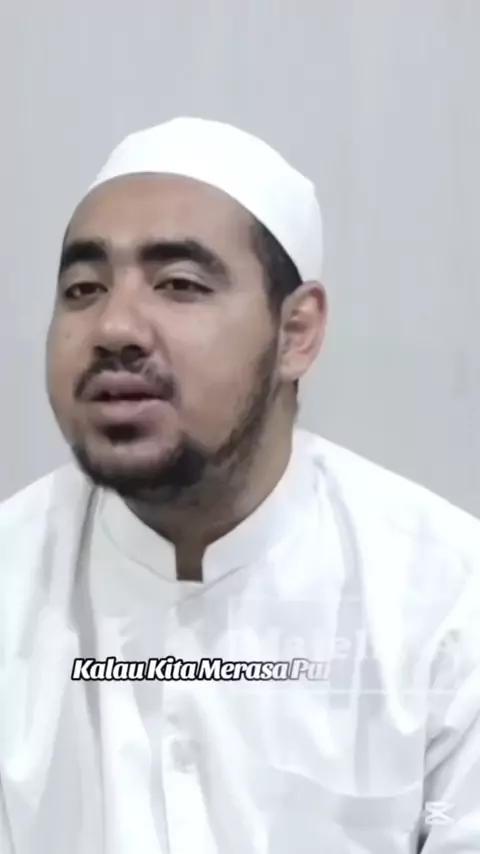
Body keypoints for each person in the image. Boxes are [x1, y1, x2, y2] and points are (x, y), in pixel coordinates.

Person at [0, 117, 479, 854]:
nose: (115, 326)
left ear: (297, 333)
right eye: (84, 288)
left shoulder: (447, 601)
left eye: (179, 285)